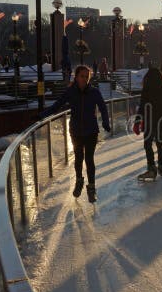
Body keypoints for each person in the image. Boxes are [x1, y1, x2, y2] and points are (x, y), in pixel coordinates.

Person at [41, 64, 111, 203]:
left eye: (87, 76)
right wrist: (41, 115)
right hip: (76, 131)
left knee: (89, 159)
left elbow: (103, 107)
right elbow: (57, 105)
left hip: (91, 131)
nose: (85, 79)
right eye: (82, 76)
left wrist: (105, 122)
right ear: (76, 77)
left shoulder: (94, 92)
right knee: (78, 158)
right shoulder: (70, 92)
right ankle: (79, 181)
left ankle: (91, 188)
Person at [135, 64, 162, 181]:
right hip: (161, 120)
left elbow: (142, 106)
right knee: (159, 142)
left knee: (148, 144)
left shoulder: (147, 88)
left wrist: (137, 121)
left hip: (149, 120)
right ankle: (161, 164)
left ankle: (152, 167)